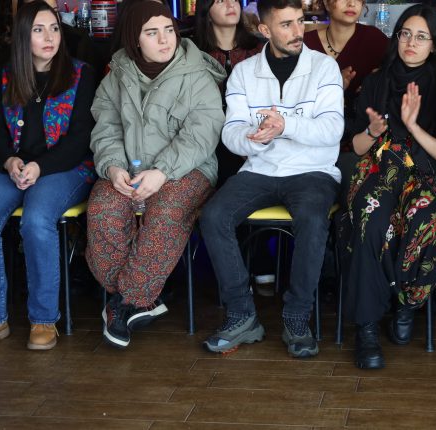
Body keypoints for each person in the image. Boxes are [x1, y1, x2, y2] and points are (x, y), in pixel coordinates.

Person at [199, 0, 343, 358]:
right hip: (260, 169)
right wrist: (255, 138)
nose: (298, 32)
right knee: (213, 216)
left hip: (313, 171)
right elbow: (230, 131)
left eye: (300, 22)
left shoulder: (324, 67)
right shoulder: (244, 72)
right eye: (286, 25)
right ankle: (241, 314)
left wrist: (285, 125)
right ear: (264, 30)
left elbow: (332, 129)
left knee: (312, 220)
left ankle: (296, 318)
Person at [86, 1, 225, 349]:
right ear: (135, 39)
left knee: (165, 212)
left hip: (187, 170)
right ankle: (139, 298)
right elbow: (106, 129)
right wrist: (113, 167)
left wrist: (162, 173)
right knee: (102, 209)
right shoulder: (117, 75)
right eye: (152, 32)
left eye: (168, 30)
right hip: (129, 169)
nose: (165, 40)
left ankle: (124, 303)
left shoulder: (197, 74)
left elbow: (201, 134)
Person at [0, 1, 96, 351]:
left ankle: (43, 319)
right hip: (12, 166)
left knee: (37, 220)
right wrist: (8, 161)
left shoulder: (80, 74)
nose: (49, 37)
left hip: (64, 167)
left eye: (54, 28)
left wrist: (41, 166)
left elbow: (81, 139)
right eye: (39, 30)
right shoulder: (7, 75)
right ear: (24, 36)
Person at [341, 4, 436, 370]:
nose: (411, 42)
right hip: (377, 168)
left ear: (435, 45)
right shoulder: (376, 81)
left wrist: (414, 126)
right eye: (405, 33)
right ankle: (367, 327)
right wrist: (372, 131)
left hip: (423, 171)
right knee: (371, 222)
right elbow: (357, 146)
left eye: (421, 37)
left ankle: (406, 303)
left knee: (425, 218)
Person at [195, 0, 264, 186]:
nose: (230, 4)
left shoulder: (259, 49)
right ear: (207, 12)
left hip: (251, 128)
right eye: (220, 1)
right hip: (207, 132)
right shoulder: (195, 52)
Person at [304, 0, 388, 147]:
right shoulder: (306, 44)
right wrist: (335, 88)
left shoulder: (376, 40)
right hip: (313, 137)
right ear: (327, 3)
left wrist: (376, 82)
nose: (351, 3)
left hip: (364, 140)